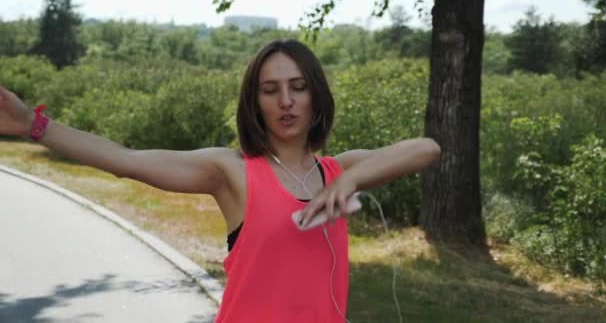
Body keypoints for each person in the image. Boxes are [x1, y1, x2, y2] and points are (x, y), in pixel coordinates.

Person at [0, 39, 440, 322]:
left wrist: (350, 179)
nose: (286, 101)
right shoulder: (232, 171)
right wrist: (35, 127)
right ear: (255, 102)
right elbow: (124, 160)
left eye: (298, 87)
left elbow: (427, 149)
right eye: (270, 90)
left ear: (316, 96)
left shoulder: (337, 171)